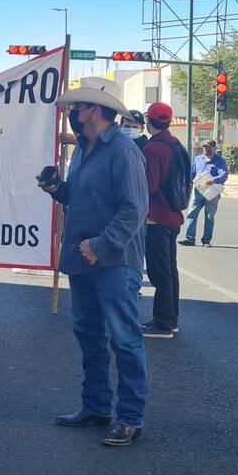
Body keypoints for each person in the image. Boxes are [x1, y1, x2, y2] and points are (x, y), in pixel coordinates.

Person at [37, 77, 148, 447]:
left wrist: (101, 245)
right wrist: (57, 189)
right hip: (83, 259)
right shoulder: (84, 149)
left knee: (124, 338)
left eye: (77, 107)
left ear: (96, 110)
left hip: (112, 261)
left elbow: (134, 208)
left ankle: (130, 416)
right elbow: (82, 197)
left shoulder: (123, 150)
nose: (71, 113)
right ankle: (97, 405)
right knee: (88, 334)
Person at [139, 102, 186, 338]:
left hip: (156, 217)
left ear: (149, 121)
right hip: (173, 215)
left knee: (159, 273)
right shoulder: (175, 143)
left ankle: (163, 323)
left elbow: (148, 185)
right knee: (170, 271)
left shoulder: (153, 148)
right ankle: (171, 318)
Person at [182, 139, 228, 247]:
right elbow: (192, 173)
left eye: (210, 147)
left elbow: (224, 174)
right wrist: (188, 184)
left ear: (215, 148)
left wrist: (214, 180)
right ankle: (190, 238)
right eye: (205, 147)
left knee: (209, 216)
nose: (207, 149)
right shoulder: (198, 159)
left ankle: (206, 240)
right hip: (198, 191)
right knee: (191, 214)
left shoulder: (220, 161)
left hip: (212, 192)